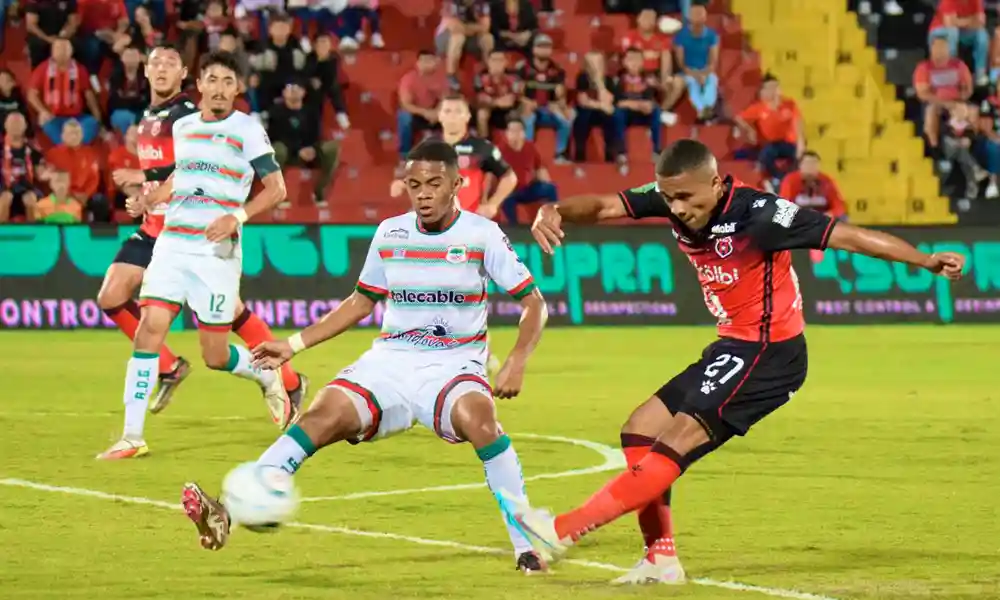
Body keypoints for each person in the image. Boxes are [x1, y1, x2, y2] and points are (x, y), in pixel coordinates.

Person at [498, 139, 965, 584]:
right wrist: (553, 210)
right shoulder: (668, 196)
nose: (677, 208)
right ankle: (661, 559)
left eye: (685, 197)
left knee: (673, 443)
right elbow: (602, 207)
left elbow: (847, 237)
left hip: (770, 353)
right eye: (668, 197)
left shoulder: (762, 215)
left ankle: (560, 531)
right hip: (732, 346)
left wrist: (922, 261)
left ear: (717, 183)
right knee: (639, 429)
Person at [180, 138, 551, 575]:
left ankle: (526, 545)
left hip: (453, 364)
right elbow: (360, 301)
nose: (424, 193)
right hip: (389, 361)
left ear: (457, 183)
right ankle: (228, 512)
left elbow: (534, 304)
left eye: (434, 183)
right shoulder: (390, 233)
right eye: (414, 184)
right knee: (320, 416)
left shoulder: (481, 234)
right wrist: (294, 345)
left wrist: (517, 359)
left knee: (482, 425)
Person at [96, 47, 308, 460]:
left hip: (217, 252)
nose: (219, 88)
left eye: (228, 82)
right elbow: (183, 174)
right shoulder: (186, 127)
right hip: (174, 243)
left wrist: (238, 217)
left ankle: (267, 377)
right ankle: (132, 436)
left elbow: (277, 189)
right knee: (148, 330)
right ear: (200, 85)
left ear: (238, 88)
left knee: (214, 354)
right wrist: (153, 197)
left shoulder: (248, 129)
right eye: (212, 80)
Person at [392, 94, 517, 219]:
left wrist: (492, 204)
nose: (452, 116)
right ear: (439, 116)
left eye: (458, 111)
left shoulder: (482, 147)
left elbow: (509, 177)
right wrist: (401, 183)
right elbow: (412, 175)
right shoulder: (426, 147)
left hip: (468, 225)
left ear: (467, 116)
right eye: (447, 111)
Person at [497, 117, 556, 224]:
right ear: (506, 133)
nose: (515, 133)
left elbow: (540, 169)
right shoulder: (499, 150)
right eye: (512, 130)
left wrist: (546, 182)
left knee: (550, 188)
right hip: (509, 191)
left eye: (518, 130)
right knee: (505, 197)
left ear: (524, 132)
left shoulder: (531, 147)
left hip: (527, 189)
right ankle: (513, 227)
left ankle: (554, 221)